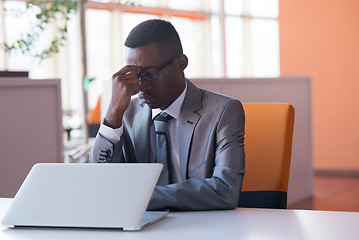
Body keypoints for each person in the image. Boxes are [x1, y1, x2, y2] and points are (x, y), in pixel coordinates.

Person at [89, 19, 245, 211]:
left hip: (202, 227)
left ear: (181, 63)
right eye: (133, 75)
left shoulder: (223, 111)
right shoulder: (126, 114)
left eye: (150, 73)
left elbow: (225, 190)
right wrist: (113, 113)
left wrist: (143, 197)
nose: (141, 86)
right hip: (141, 227)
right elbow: (99, 183)